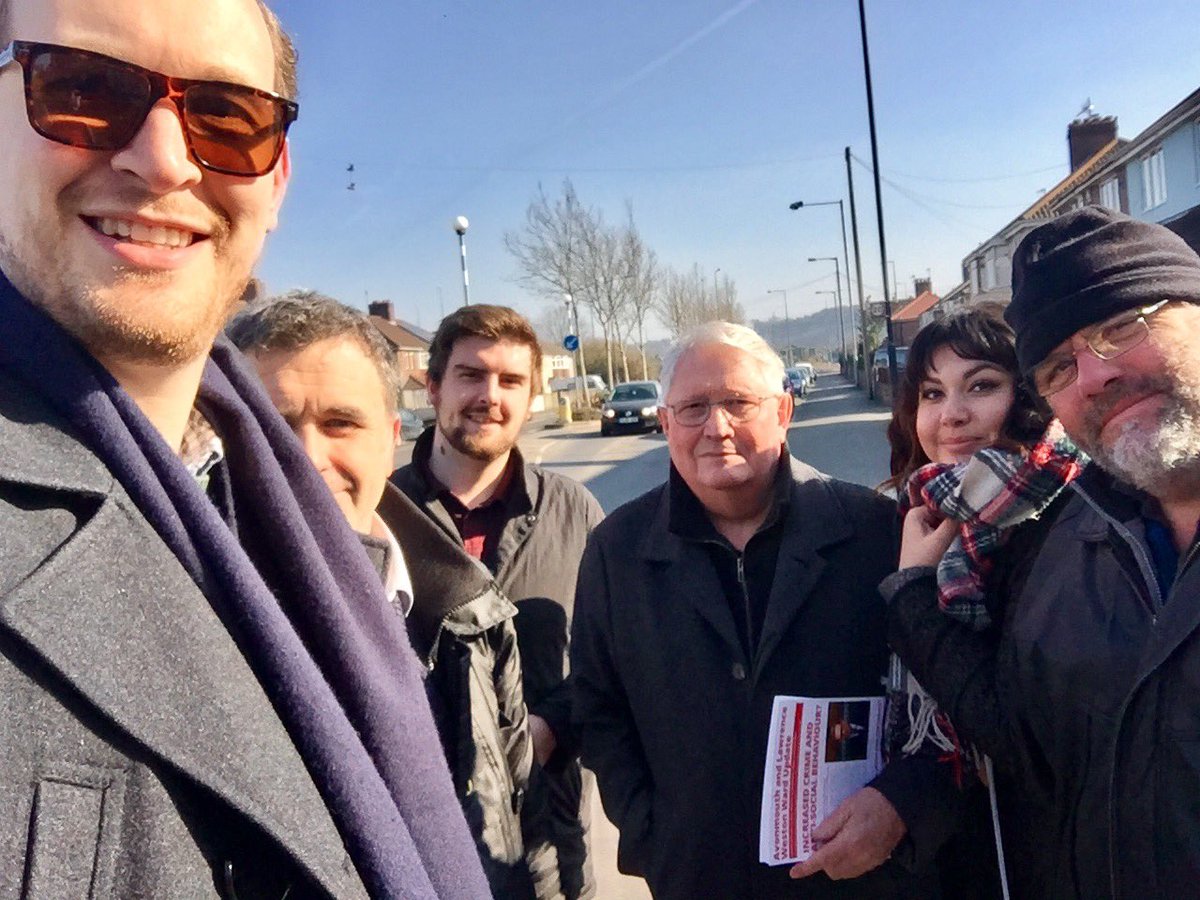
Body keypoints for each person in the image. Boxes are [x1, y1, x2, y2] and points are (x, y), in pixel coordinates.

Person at [0, 3, 487, 897]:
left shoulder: (285, 524)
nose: (164, 159)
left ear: (279, 177)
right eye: (82, 89)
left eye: (227, 116)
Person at [571, 321, 962, 900]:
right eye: (694, 408)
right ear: (665, 425)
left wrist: (904, 806)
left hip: (863, 882)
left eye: (737, 402)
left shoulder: (877, 533)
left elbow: (947, 703)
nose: (717, 427)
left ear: (784, 410)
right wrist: (656, 837)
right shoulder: (617, 551)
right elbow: (599, 710)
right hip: (697, 881)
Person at [887, 205, 1200, 899]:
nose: (1092, 376)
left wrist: (911, 601)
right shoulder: (1096, 526)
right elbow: (1036, 743)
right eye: (1060, 365)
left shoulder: (1058, 514)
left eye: (1121, 326)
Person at [231, 293, 538, 898]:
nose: (304, 456)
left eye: (340, 423)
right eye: (269, 426)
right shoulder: (183, 617)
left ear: (392, 436)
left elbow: (507, 799)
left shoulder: (467, 615)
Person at [391, 303, 604, 900]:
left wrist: (552, 728)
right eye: (470, 375)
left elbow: (609, 663)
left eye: (510, 381)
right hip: (419, 840)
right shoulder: (379, 514)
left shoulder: (577, 514)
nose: (491, 396)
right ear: (432, 388)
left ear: (533, 396)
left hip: (550, 845)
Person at [881, 307, 1066, 900]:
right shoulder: (923, 516)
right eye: (932, 393)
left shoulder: (1070, 520)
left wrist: (912, 588)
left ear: (1030, 394)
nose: (952, 414)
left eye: (981, 385)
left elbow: (1015, 732)